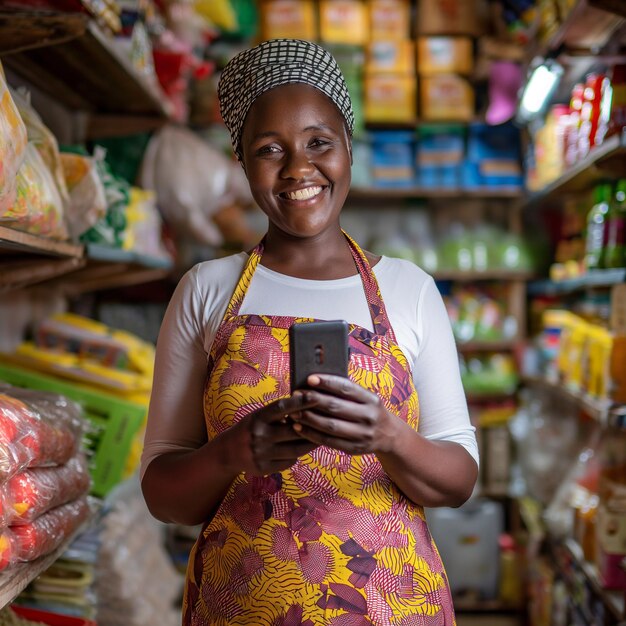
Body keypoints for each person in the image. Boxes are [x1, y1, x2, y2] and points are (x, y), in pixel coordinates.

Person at [141, 38, 479, 626]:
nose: (299, 168)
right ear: (242, 163)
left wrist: (391, 437)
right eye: (270, 149)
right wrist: (234, 452)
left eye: (319, 142)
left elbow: (459, 480)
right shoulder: (206, 289)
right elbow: (163, 493)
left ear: (348, 147)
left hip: (393, 609)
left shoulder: (408, 289)